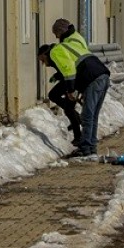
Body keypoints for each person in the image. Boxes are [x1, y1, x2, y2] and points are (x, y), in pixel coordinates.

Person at [51, 18, 110, 159]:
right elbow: (79, 62)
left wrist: (71, 90)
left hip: (92, 78)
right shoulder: (77, 39)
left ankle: (85, 148)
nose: (56, 37)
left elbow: (69, 70)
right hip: (102, 74)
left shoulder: (57, 50)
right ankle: (90, 147)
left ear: (60, 32)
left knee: (87, 115)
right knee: (93, 115)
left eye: (56, 33)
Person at [38, 43, 84, 148]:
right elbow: (63, 70)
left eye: (42, 60)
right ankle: (76, 118)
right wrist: (56, 75)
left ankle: (78, 136)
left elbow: (68, 69)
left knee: (68, 108)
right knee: (56, 98)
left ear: (45, 55)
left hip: (73, 81)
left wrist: (70, 90)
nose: (43, 63)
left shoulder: (54, 55)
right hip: (70, 80)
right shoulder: (53, 56)